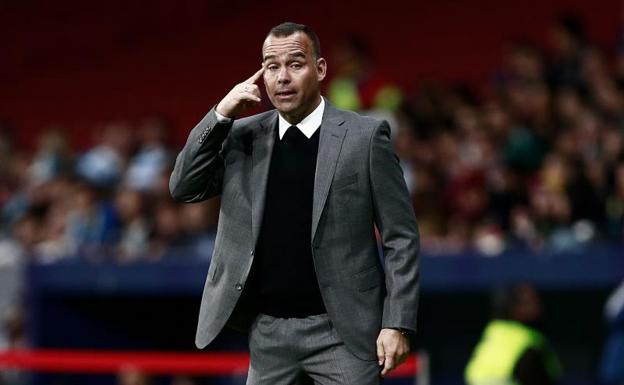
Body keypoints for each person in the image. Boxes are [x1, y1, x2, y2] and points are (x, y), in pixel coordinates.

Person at [170, 22, 420, 385]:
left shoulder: (364, 138)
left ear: (319, 70)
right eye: (272, 67)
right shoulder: (242, 137)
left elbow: (401, 236)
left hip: (343, 332)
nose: (282, 77)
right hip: (268, 333)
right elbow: (183, 185)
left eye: (295, 64)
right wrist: (221, 113)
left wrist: (397, 322)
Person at [465, 283, 562, 385]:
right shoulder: (531, 341)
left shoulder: (493, 332)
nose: (538, 307)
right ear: (514, 308)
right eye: (529, 302)